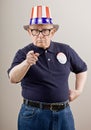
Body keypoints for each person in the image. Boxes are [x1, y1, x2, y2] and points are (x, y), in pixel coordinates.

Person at [7, 5, 87, 130]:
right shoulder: (23, 53)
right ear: (29, 32)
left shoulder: (65, 50)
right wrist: (26, 63)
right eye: (35, 30)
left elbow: (82, 68)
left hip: (64, 114)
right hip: (33, 115)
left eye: (44, 30)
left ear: (53, 32)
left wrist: (78, 91)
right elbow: (13, 78)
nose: (40, 35)